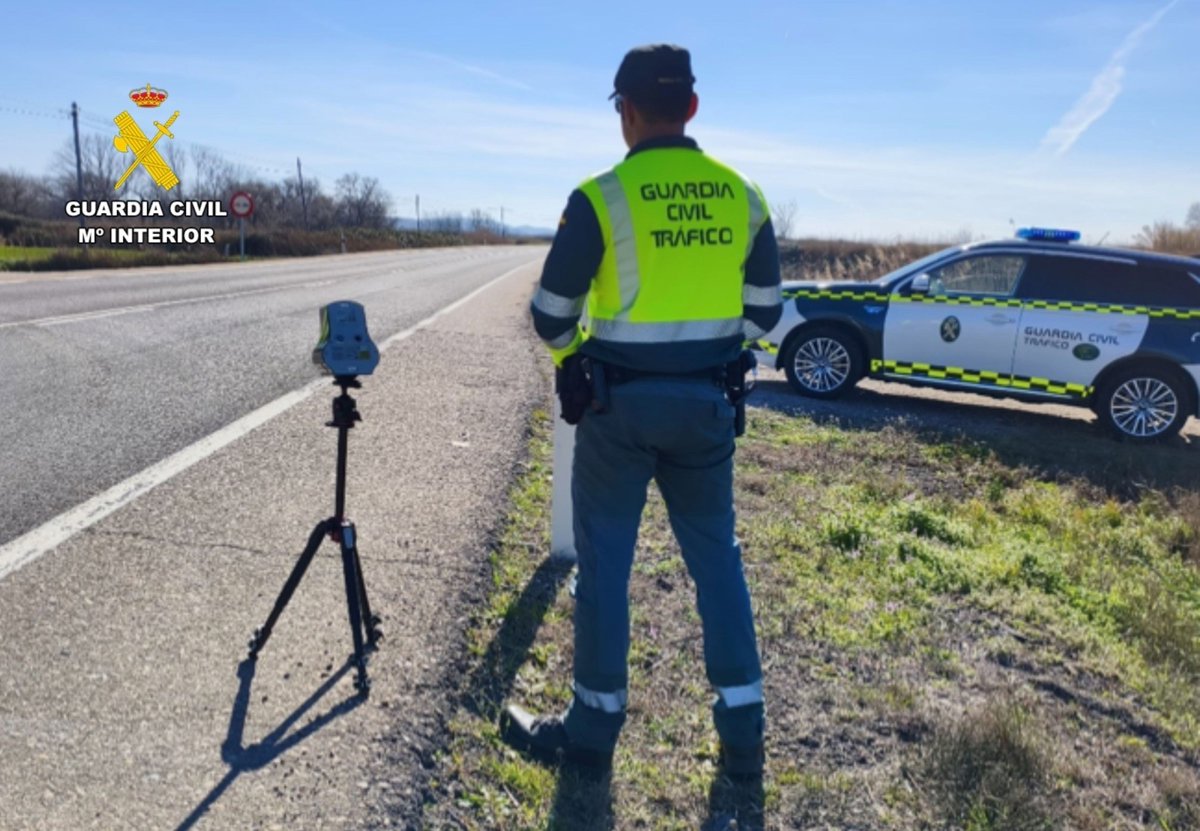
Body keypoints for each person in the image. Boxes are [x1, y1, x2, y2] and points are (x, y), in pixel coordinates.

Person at [503, 43, 783, 780]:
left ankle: (592, 735)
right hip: (707, 409)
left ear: (624, 112)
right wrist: (706, 352)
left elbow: (551, 314)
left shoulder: (600, 198)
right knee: (718, 563)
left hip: (616, 410)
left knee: (605, 570)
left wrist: (575, 359)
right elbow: (764, 315)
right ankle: (744, 734)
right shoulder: (745, 196)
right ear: (691, 107)